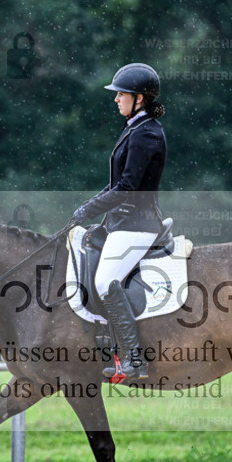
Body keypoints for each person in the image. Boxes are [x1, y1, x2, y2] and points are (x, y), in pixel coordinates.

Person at [69, 63, 167, 380]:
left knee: (104, 282)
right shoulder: (135, 128)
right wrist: (89, 206)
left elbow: (127, 189)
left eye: (121, 94)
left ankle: (133, 359)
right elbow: (117, 185)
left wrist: (90, 209)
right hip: (121, 222)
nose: (116, 99)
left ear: (140, 98)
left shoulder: (147, 134)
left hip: (138, 225)